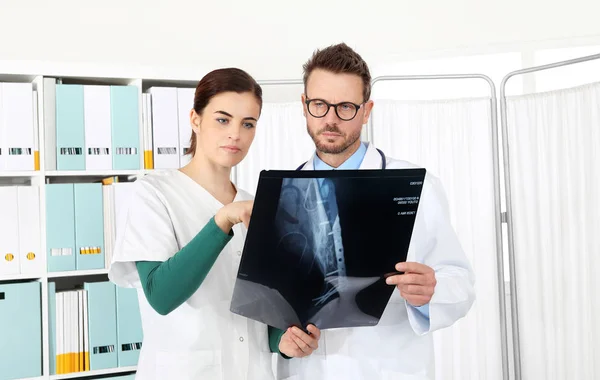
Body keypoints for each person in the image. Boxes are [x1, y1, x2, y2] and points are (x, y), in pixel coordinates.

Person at [274, 43, 476, 380]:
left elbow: (462, 284)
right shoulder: (280, 194)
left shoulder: (416, 186)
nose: (331, 119)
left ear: (366, 111)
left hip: (388, 368)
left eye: (346, 107)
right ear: (304, 105)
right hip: (308, 371)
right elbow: (269, 302)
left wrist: (431, 290)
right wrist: (282, 341)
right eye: (320, 105)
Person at [108, 67, 320, 380]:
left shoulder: (259, 204)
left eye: (247, 124)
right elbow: (161, 296)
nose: (235, 133)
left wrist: (283, 342)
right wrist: (222, 220)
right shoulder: (153, 193)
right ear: (196, 119)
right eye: (223, 119)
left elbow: (261, 315)